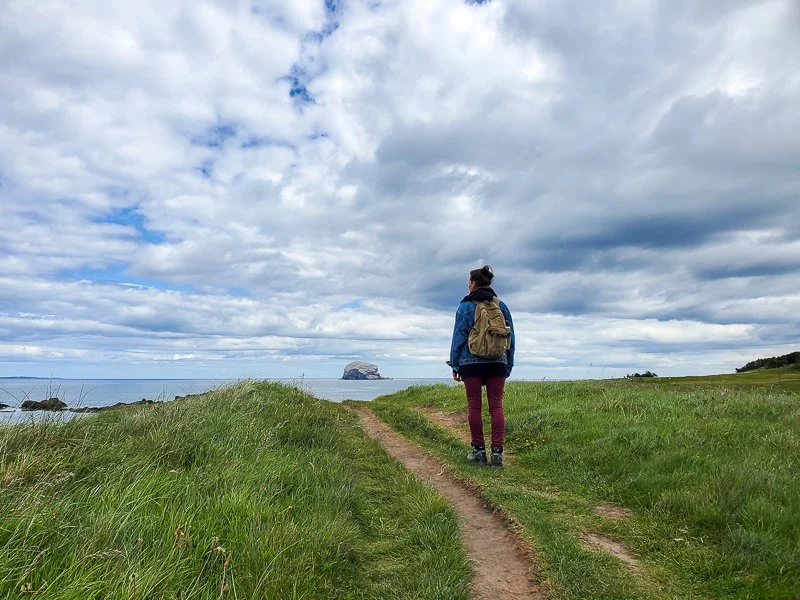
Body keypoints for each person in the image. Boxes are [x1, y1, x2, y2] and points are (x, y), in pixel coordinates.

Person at [447, 265, 515, 468]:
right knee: (496, 407)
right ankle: (497, 455)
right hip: (497, 362)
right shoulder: (501, 306)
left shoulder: (465, 307)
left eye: (469, 282)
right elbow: (511, 337)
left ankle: (478, 452)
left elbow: (458, 338)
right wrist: (508, 363)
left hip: (471, 362)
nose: (468, 285)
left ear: (474, 283)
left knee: (474, 407)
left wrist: (455, 364)